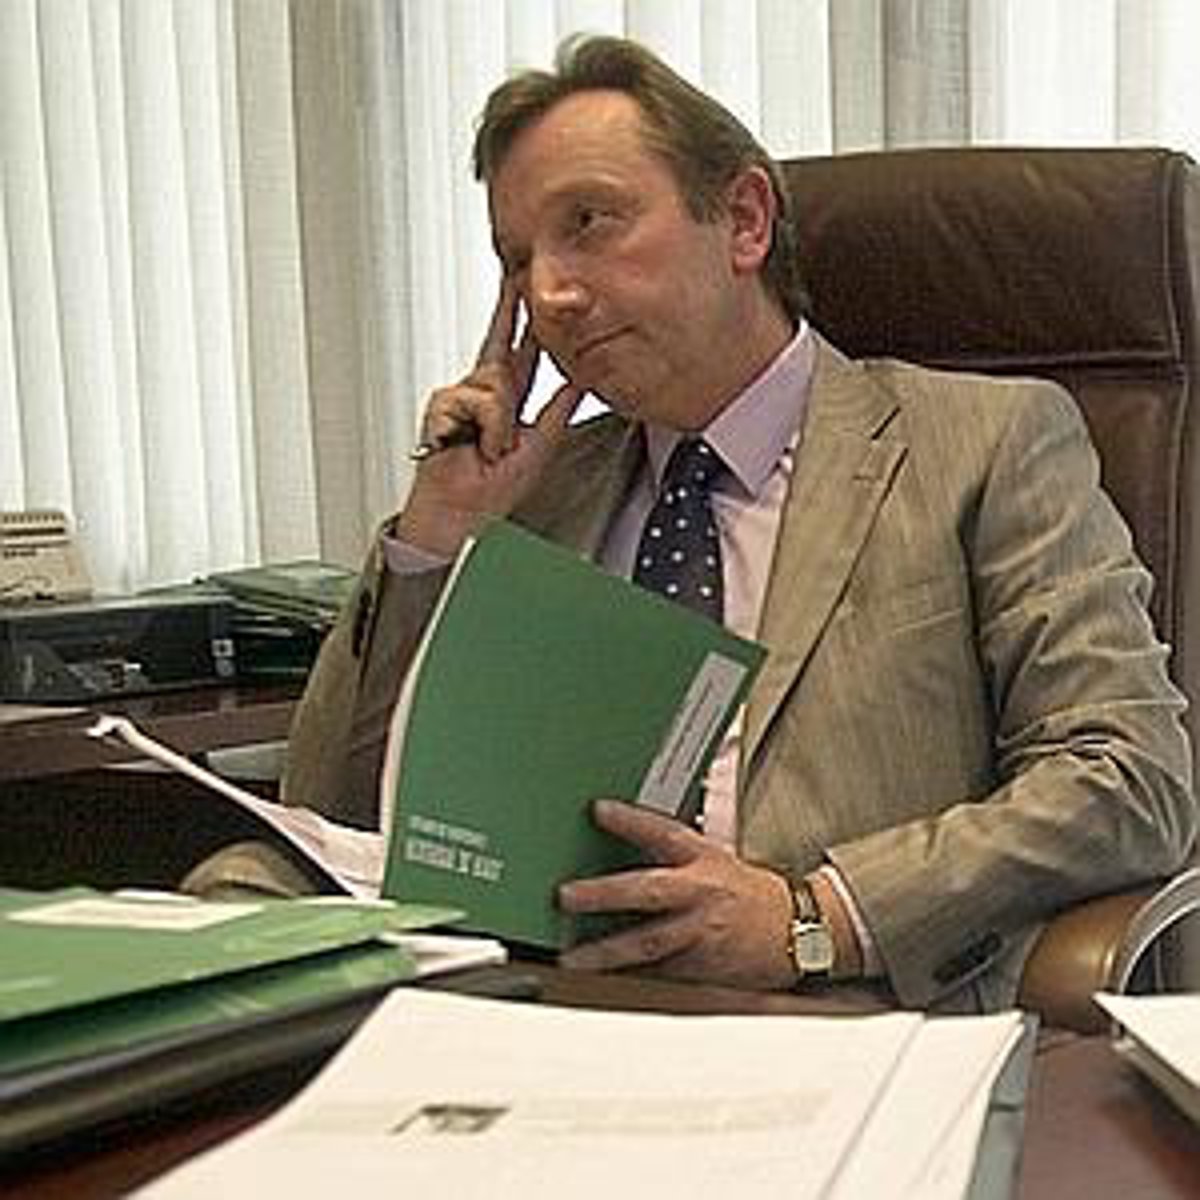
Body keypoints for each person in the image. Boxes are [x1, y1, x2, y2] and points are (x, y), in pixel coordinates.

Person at [276, 35, 1194, 1012]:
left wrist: (814, 917)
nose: (550, 294)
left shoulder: (981, 444)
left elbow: (1126, 775)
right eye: (519, 260)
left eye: (589, 223)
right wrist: (437, 538)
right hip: (535, 1005)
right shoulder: (537, 490)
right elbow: (332, 810)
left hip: (835, 1017)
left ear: (746, 220)